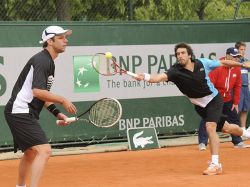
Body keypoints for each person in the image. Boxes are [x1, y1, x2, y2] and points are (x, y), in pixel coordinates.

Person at [134, 42, 250, 175]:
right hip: (200, 106)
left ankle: (216, 164)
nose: (180, 56)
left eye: (183, 53)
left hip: (214, 99)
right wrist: (145, 76)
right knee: (227, 128)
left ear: (189, 55)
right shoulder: (175, 71)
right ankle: (247, 133)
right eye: (178, 54)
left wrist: (241, 64)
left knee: (210, 127)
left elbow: (224, 63)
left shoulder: (202, 63)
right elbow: (159, 77)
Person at [4, 26, 77, 187]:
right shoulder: (42, 60)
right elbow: (37, 92)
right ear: (49, 41)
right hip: (19, 111)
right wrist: (62, 100)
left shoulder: (48, 61)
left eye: (65, 37)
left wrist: (58, 113)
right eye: (61, 37)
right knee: (44, 150)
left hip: (20, 111)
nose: (66, 40)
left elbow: (43, 95)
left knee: (30, 153)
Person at [198, 47, 250, 151]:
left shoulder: (236, 68)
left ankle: (238, 142)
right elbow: (210, 84)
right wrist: (212, 100)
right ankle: (202, 143)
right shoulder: (217, 67)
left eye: (238, 57)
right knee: (207, 119)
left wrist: (235, 102)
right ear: (228, 56)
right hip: (215, 99)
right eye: (234, 57)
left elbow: (237, 85)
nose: (236, 59)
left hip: (227, 99)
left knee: (234, 119)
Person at [235, 42, 250, 131]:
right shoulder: (234, 61)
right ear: (237, 50)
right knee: (237, 110)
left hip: (246, 88)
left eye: (244, 49)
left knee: (245, 109)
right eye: (241, 49)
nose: (243, 51)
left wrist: (245, 63)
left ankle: (243, 129)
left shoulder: (246, 61)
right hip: (237, 88)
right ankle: (235, 130)